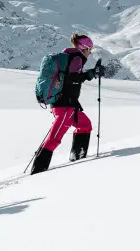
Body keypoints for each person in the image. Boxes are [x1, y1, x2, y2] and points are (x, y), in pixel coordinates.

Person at [29, 34, 105, 174]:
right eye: (90, 49)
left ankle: (78, 158)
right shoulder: (76, 58)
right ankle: (37, 171)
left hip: (69, 105)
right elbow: (74, 79)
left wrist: (90, 73)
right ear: (84, 48)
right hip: (64, 107)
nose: (90, 52)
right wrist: (92, 73)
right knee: (54, 139)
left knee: (85, 125)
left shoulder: (70, 57)